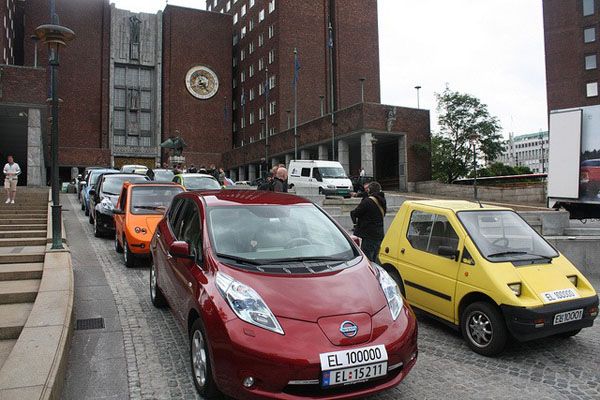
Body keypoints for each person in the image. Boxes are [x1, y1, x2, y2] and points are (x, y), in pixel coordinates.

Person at [350, 181, 387, 262]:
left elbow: (356, 213)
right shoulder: (382, 200)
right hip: (379, 234)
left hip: (368, 235)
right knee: (375, 259)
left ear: (369, 190)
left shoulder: (368, 201)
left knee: (367, 260)